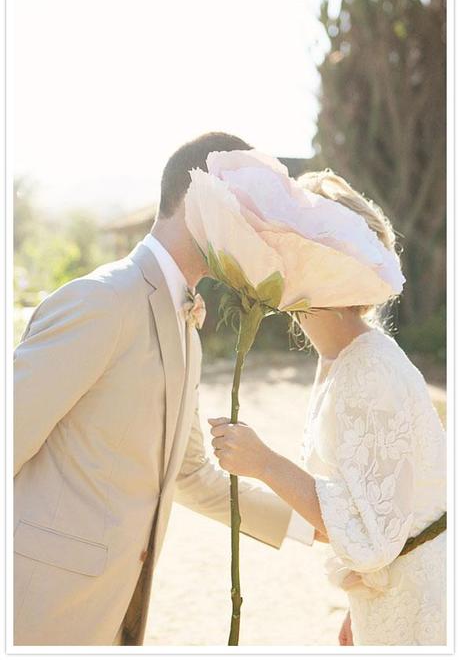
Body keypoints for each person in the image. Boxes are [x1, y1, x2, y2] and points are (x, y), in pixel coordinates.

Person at [13, 132, 317, 646]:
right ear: (203, 201)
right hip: (36, 613)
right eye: (248, 211)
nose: (257, 231)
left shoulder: (185, 322)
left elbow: (190, 475)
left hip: (116, 613)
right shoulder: (102, 301)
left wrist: (311, 520)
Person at [210, 170, 446, 646]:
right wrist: (356, 597)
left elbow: (373, 538)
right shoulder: (341, 360)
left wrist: (264, 464)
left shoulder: (369, 370)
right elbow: (371, 504)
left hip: (419, 608)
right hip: (388, 596)